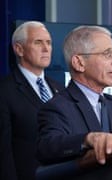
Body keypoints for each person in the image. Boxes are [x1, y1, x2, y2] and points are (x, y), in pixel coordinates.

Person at [36, 25, 112, 167]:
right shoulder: (57, 108)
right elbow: (47, 147)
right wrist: (87, 139)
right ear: (79, 63)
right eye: (107, 54)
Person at [0, 21, 64, 180]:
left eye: (49, 43)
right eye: (38, 42)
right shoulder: (4, 90)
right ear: (19, 49)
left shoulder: (60, 89)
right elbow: (3, 153)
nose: (46, 48)